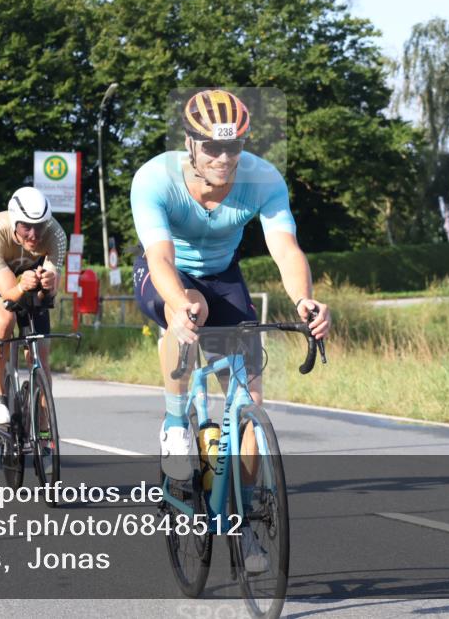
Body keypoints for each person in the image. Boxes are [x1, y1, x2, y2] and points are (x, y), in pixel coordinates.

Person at [131, 89, 331, 572]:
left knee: (250, 406)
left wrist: (304, 299)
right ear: (190, 143)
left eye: (234, 147)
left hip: (224, 275)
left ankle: (242, 523)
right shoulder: (155, 178)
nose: (224, 158)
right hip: (169, 275)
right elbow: (160, 258)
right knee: (192, 309)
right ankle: (176, 424)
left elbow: (285, 248)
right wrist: (177, 305)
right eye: (213, 148)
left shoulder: (262, 178)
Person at [0, 187, 65, 431]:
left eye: (39, 226)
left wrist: (48, 285)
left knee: (40, 355)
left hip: (28, 281)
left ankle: (44, 431)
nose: (34, 234)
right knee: (4, 318)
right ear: (14, 223)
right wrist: (24, 285)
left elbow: (49, 294)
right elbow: (10, 293)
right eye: (26, 227)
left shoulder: (56, 235)